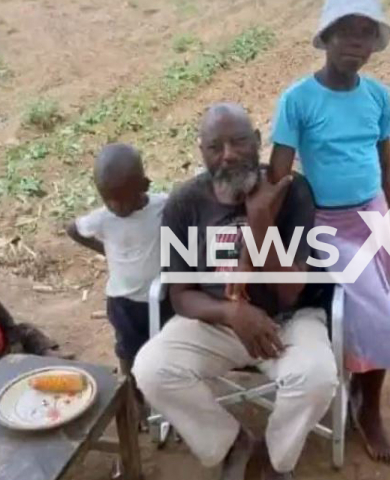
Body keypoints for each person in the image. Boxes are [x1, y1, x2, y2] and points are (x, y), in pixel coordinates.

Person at [133, 103, 338, 480]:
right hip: (215, 321)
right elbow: (180, 294)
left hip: (288, 322)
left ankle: (275, 460)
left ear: (258, 142)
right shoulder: (185, 202)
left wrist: (260, 217)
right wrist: (231, 313)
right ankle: (231, 443)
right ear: (202, 152)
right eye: (215, 146)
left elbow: (290, 292)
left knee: (317, 377)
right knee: (150, 369)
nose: (227, 154)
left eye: (239, 142)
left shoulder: (291, 190)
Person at [268, 0, 390, 464]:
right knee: (375, 316)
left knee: (380, 308)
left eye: (366, 32)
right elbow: (279, 178)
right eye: (345, 31)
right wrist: (281, 245)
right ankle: (365, 409)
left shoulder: (378, 97)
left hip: (372, 216)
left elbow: (385, 168)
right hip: (325, 225)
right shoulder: (298, 100)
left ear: (374, 44)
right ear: (325, 38)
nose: (355, 41)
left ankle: (364, 398)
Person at [67, 143, 171, 384]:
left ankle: (162, 389)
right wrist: (106, 252)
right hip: (123, 303)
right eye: (107, 200)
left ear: (143, 186)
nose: (115, 207)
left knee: (164, 347)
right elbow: (74, 229)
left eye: (121, 200)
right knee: (128, 350)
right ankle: (131, 395)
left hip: (161, 298)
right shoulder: (104, 218)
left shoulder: (162, 206)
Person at [0, 255, 70, 382]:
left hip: (4, 350)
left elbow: (8, 326)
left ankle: (48, 353)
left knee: (26, 329)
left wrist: (14, 346)